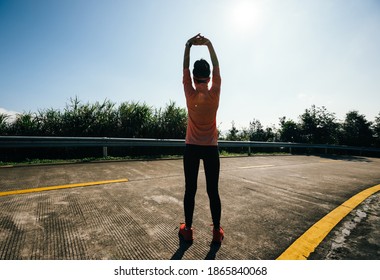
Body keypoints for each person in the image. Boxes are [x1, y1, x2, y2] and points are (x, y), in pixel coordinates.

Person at [179, 34, 224, 243]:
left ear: (195, 78)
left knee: (191, 190)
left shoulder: (190, 93)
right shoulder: (215, 93)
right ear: (208, 78)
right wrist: (209, 44)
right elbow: (217, 68)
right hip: (210, 149)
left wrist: (189, 45)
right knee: (212, 191)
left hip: (191, 148)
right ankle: (216, 232)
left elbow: (185, 69)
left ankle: (187, 229)